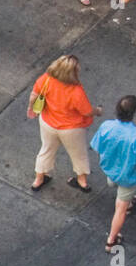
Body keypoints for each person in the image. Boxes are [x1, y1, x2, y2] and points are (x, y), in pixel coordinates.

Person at [90, 95, 136, 252]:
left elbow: (96, 147)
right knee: (120, 208)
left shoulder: (106, 126)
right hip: (128, 177)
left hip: (110, 170)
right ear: (133, 113)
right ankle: (111, 240)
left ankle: (130, 201)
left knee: (114, 184)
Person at [28, 54, 102, 194]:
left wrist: (31, 108)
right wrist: (97, 111)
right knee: (78, 153)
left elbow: (34, 94)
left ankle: (39, 179)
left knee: (46, 150)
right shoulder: (76, 91)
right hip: (71, 129)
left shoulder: (46, 79)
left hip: (47, 123)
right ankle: (82, 181)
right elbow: (86, 111)